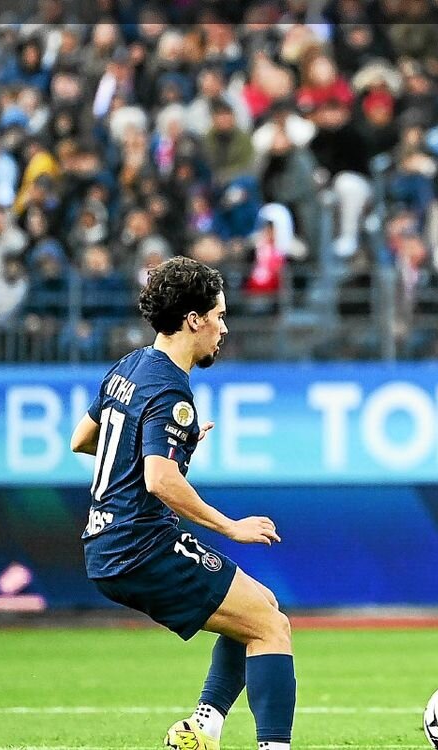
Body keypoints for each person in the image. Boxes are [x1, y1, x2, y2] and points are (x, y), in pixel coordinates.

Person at [69, 257, 295, 750]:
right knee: (271, 629)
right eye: (219, 315)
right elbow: (160, 480)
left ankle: (203, 727)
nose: (223, 328)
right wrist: (230, 526)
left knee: (263, 607)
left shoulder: (129, 366)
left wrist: (165, 444)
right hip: (140, 546)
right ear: (194, 319)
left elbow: (82, 439)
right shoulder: (171, 390)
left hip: (106, 542)